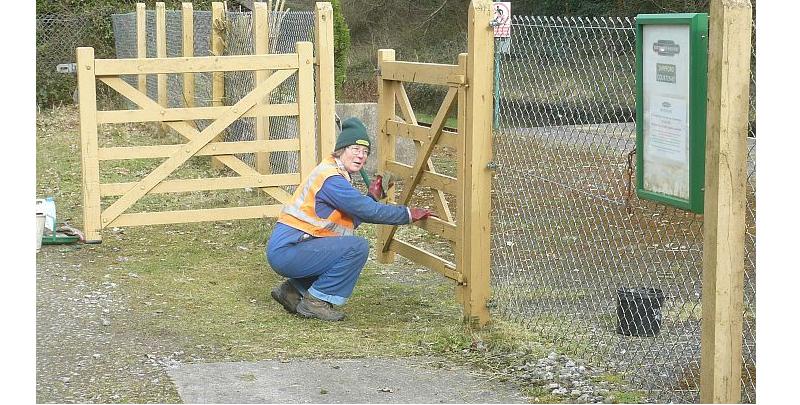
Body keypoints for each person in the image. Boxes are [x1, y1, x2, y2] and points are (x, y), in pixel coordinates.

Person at [266, 117, 436, 321]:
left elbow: (348, 219)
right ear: (341, 150)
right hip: (289, 251)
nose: (361, 156)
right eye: (355, 149)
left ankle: (292, 291)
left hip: (292, 247)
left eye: (365, 152)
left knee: (341, 248)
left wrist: (371, 197)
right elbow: (368, 212)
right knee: (357, 248)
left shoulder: (333, 173)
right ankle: (315, 303)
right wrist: (407, 214)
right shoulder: (332, 180)